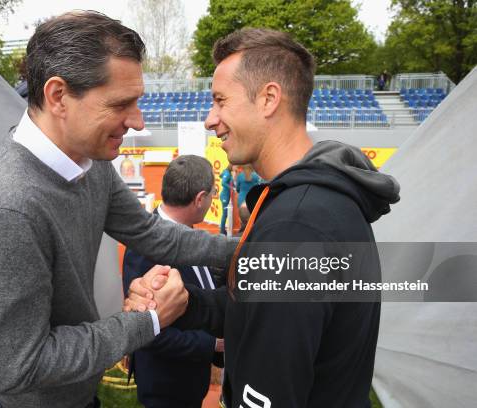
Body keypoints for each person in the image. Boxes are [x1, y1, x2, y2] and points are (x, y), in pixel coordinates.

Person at [0, 11, 235, 408]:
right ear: (58, 96)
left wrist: (246, 249)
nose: (137, 121)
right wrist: (148, 321)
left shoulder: (91, 162)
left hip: (79, 393)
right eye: (121, 104)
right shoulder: (1, 212)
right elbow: (19, 368)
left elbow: (152, 233)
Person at [125, 28, 400, 407]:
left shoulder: (295, 225)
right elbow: (257, 306)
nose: (210, 119)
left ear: (269, 98)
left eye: (221, 101)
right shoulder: (315, 201)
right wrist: (186, 304)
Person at [122, 155, 224, 408]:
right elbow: (149, 333)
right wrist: (214, 344)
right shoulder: (147, 247)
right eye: (213, 193)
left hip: (189, 382)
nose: (214, 198)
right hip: (166, 387)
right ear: (200, 198)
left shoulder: (188, 233)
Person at [234, 164, 262, 231]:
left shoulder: (240, 176)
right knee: (253, 217)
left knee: (242, 217)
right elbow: (258, 187)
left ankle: (242, 232)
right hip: (252, 198)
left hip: (241, 199)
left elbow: (237, 188)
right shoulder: (255, 176)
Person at [219, 164, 234, 235]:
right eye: (234, 166)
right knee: (225, 214)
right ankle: (222, 231)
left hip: (225, 195)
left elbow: (220, 176)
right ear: (231, 166)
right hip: (224, 196)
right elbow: (223, 183)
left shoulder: (227, 172)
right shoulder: (227, 173)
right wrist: (231, 188)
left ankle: (222, 230)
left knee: (225, 214)